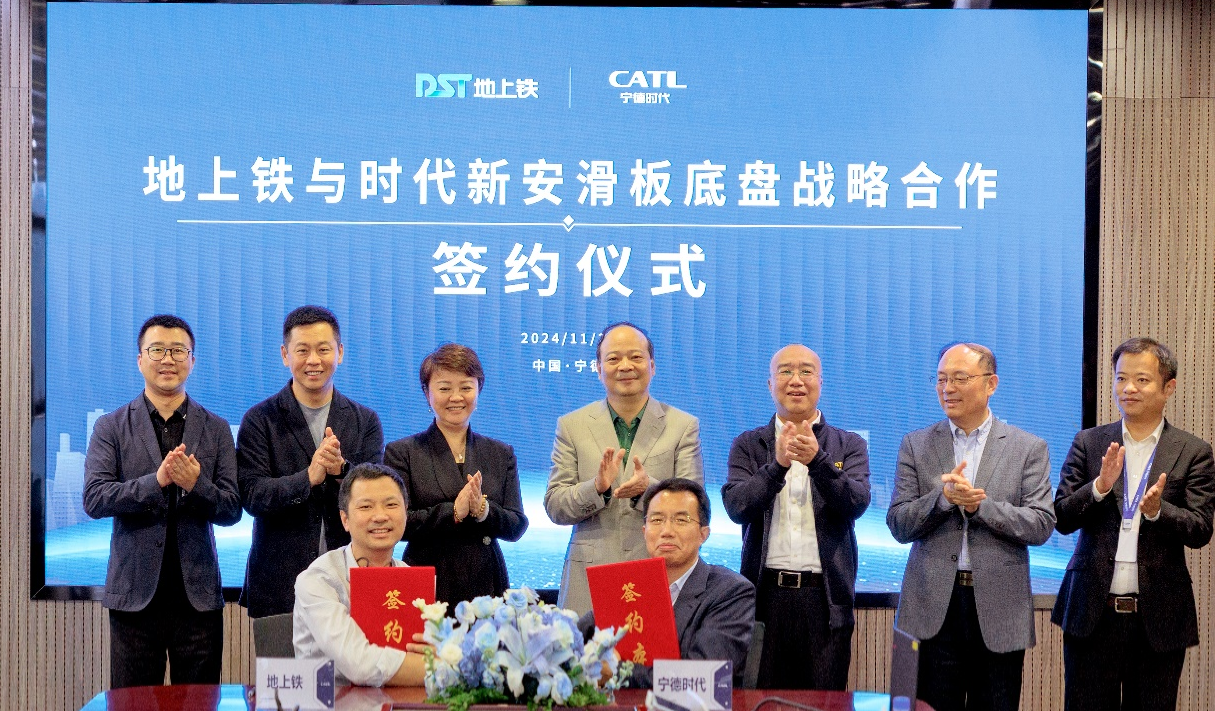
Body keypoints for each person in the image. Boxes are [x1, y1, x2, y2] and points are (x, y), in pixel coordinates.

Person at [887, 342, 1055, 711]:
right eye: (941, 379)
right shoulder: (916, 444)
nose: (947, 388)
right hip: (932, 609)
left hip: (999, 610)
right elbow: (899, 523)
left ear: (991, 383)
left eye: (960, 378)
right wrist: (943, 499)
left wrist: (981, 507)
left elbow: (1041, 524)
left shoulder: (1027, 447)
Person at [1053, 338, 1215, 711]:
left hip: (1158, 617)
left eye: (1141, 380)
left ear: (1168, 387)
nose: (1128, 388)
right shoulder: (1090, 443)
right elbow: (1061, 517)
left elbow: (1201, 529)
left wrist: (1159, 511)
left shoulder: (1193, 452)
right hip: (1091, 612)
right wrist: (1099, 487)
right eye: (1121, 378)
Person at [83, 314, 241, 688]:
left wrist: (196, 485)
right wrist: (156, 482)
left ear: (192, 360)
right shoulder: (111, 426)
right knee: (132, 704)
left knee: (200, 703)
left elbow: (232, 508)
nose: (167, 359)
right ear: (140, 359)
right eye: (157, 350)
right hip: (134, 599)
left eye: (178, 351)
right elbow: (95, 497)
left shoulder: (217, 428)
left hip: (197, 600)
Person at [721, 344, 870, 690]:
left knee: (823, 703)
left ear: (820, 382)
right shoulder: (749, 444)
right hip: (764, 599)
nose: (796, 380)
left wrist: (818, 462)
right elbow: (737, 507)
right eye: (785, 371)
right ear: (769, 384)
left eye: (806, 371)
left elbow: (856, 503)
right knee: (759, 700)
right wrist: (777, 466)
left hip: (824, 602)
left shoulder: (848, 444)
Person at [545, 321, 704, 616]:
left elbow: (694, 507)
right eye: (613, 358)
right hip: (588, 579)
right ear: (598, 368)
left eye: (636, 357)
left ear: (652, 365)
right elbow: (555, 506)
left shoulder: (683, 426)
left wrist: (650, 490)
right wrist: (597, 489)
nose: (625, 366)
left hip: (659, 572)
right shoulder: (571, 425)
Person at [238, 305, 384, 618]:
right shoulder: (259, 420)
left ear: (340, 352)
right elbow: (252, 496)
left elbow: (377, 496)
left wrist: (342, 471)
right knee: (283, 655)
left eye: (323, 349)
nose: (313, 360)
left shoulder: (365, 420)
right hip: (279, 585)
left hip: (351, 582)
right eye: (302, 350)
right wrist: (308, 477)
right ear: (285, 355)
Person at [383, 343, 528, 608]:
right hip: (428, 579)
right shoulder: (403, 452)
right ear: (427, 393)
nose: (456, 397)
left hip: (486, 581)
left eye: (466, 387)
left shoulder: (500, 453)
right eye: (444, 388)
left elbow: (517, 525)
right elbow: (398, 523)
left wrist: (483, 510)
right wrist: (453, 512)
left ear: (478, 389)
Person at [580, 478, 754, 689]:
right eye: (656, 520)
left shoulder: (731, 592)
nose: (667, 531)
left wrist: (615, 671)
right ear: (644, 531)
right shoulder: (628, 586)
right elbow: (575, 638)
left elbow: (702, 678)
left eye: (681, 520)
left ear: (703, 534)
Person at [294, 463, 429, 686]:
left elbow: (426, 649)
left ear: (406, 512)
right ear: (345, 519)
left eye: (391, 505)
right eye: (366, 507)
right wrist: (442, 669)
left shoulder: (409, 577)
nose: (380, 516)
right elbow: (359, 664)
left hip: (398, 697)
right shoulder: (318, 580)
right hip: (329, 699)